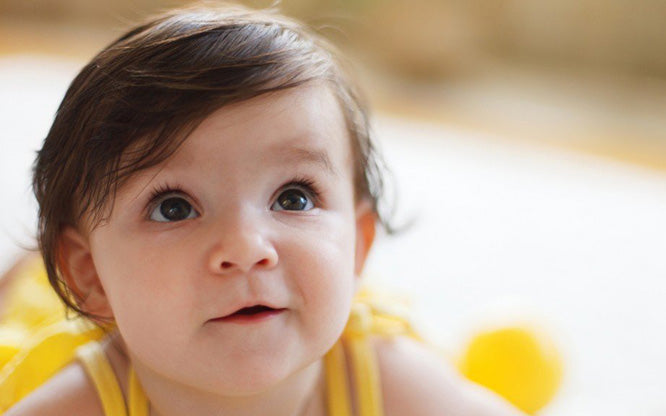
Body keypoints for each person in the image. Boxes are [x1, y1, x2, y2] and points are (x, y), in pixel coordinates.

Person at [4, 4, 524, 416]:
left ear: (359, 244)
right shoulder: (78, 404)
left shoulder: (392, 381)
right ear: (89, 273)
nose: (247, 247)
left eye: (294, 198)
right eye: (174, 207)